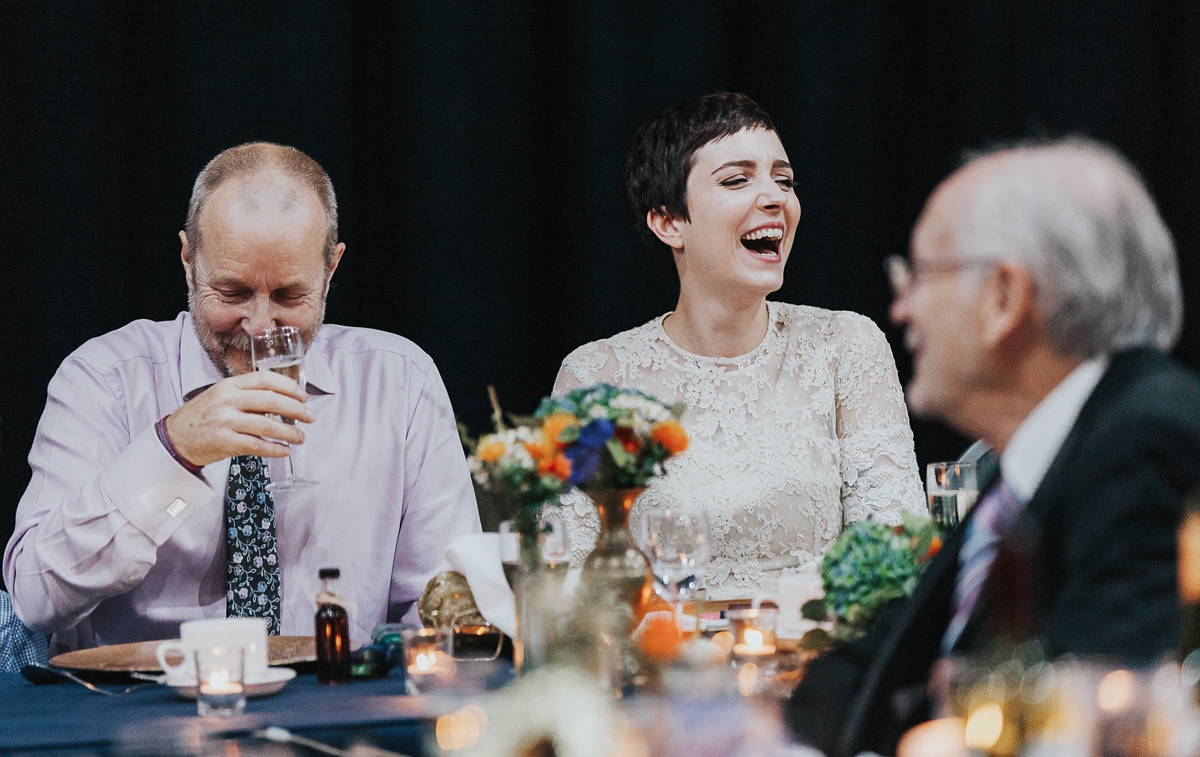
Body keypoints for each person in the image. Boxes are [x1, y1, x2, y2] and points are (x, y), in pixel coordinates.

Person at [786, 137, 1200, 757]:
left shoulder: (1143, 440)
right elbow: (877, 663)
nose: (900, 309)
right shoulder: (1034, 458)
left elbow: (1092, 727)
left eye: (919, 275)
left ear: (1005, 296)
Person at [4, 142, 480, 653]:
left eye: (289, 296)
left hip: (337, 705)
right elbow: (36, 597)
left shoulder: (400, 381)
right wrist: (172, 451)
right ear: (189, 260)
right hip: (141, 709)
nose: (260, 327)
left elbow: (443, 599)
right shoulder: (102, 379)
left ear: (331, 271)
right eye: (231, 293)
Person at [554, 93, 924, 601]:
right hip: (664, 665)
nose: (776, 198)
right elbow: (564, 582)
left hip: (815, 657)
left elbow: (895, 554)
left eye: (785, 180)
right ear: (668, 222)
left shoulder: (846, 346)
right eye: (737, 179)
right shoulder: (597, 374)